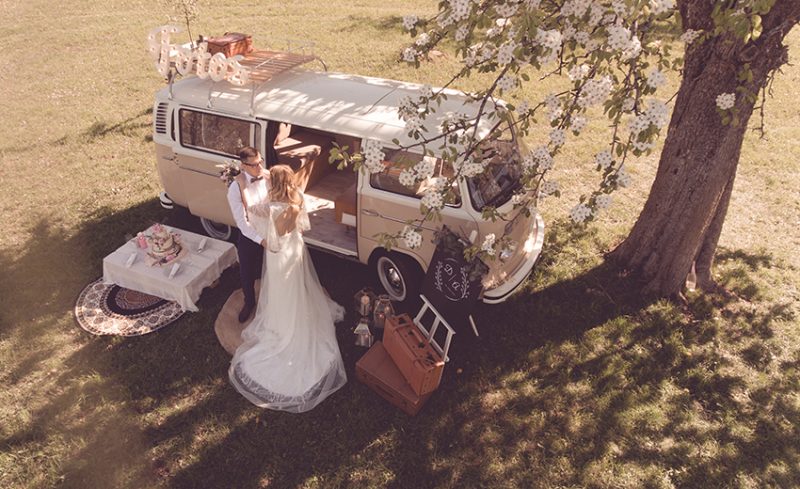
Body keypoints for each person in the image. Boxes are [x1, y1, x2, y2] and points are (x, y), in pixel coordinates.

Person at [228, 165, 347, 412]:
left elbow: (273, 230)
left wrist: (250, 201)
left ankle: (284, 325)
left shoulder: (275, 207)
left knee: (282, 289)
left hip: (279, 252)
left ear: (276, 184)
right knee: (295, 286)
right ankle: (294, 314)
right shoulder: (298, 197)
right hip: (295, 249)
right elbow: (301, 227)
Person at [227, 146, 270, 323]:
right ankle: (249, 302)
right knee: (247, 269)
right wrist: (261, 240)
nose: (259, 168)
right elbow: (242, 223)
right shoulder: (235, 189)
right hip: (251, 234)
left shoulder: (268, 176)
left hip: (270, 228)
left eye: (260, 162)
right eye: (254, 165)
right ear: (243, 166)